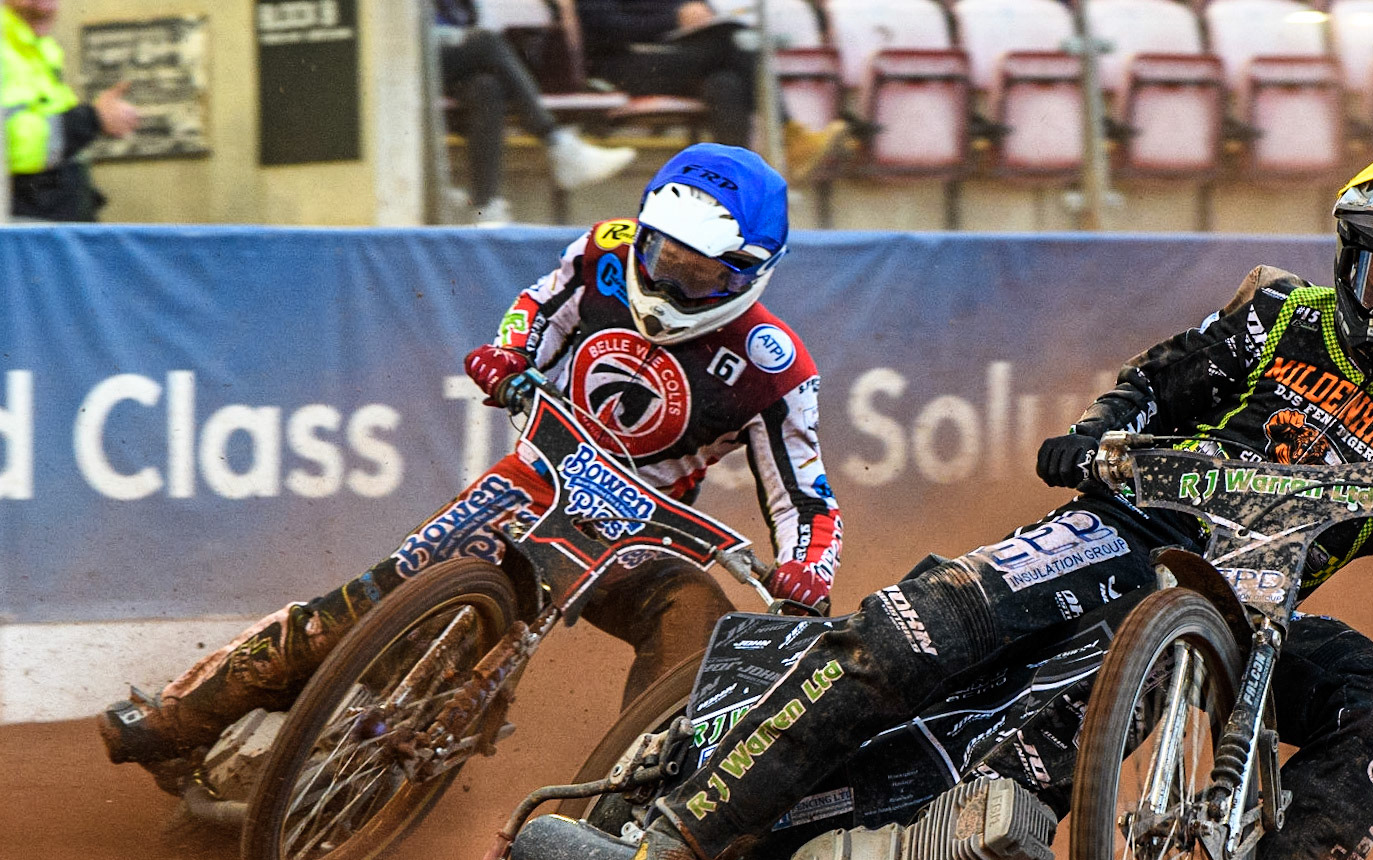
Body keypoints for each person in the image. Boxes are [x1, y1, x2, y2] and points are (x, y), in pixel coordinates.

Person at [579, 147, 1373, 860]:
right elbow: (1151, 388)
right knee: (917, 627)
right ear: (1351, 262)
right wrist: (1094, 436)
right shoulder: (1277, 317)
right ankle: (685, 837)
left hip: (1253, 612)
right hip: (1123, 533)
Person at [99, 143, 843, 798]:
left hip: (637, 536)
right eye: (661, 257)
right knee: (368, 601)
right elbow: (535, 307)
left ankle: (634, 808)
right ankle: (178, 715)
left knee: (698, 620)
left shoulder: (773, 367)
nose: (669, 283)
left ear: (751, 272)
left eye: (698, 274)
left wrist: (809, 569)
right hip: (528, 483)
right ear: (642, 231)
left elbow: (807, 500)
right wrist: (508, 355)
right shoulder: (603, 253)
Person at [579, 0, 845, 180]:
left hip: (678, 56)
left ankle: (729, 183)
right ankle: (788, 133)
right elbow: (603, 28)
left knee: (726, 83)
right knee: (733, 43)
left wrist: (700, 15)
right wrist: (674, 19)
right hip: (621, 65)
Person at [436, 0, 635, 224]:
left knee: (486, 87)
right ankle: (557, 143)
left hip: (449, 52)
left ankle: (485, 207)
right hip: (411, 48)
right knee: (486, 42)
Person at [2, 0, 139, 221]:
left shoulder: (42, 48)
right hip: (26, 236)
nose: (45, 7)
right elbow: (9, 145)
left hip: (56, 228)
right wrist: (93, 119)